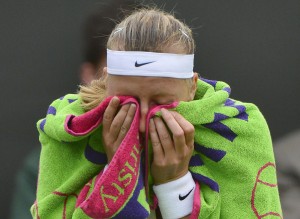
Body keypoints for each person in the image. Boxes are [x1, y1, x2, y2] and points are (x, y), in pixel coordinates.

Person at [32, 8, 282, 219]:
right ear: (106, 80)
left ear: (192, 86)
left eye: (161, 102)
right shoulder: (67, 127)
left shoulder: (240, 125)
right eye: (127, 100)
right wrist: (116, 171)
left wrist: (176, 184)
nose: (142, 122)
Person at [9, 1, 139, 219]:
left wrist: (175, 183)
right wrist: (113, 169)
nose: (136, 90)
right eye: (119, 73)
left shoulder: (194, 150)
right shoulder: (42, 166)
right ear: (89, 76)